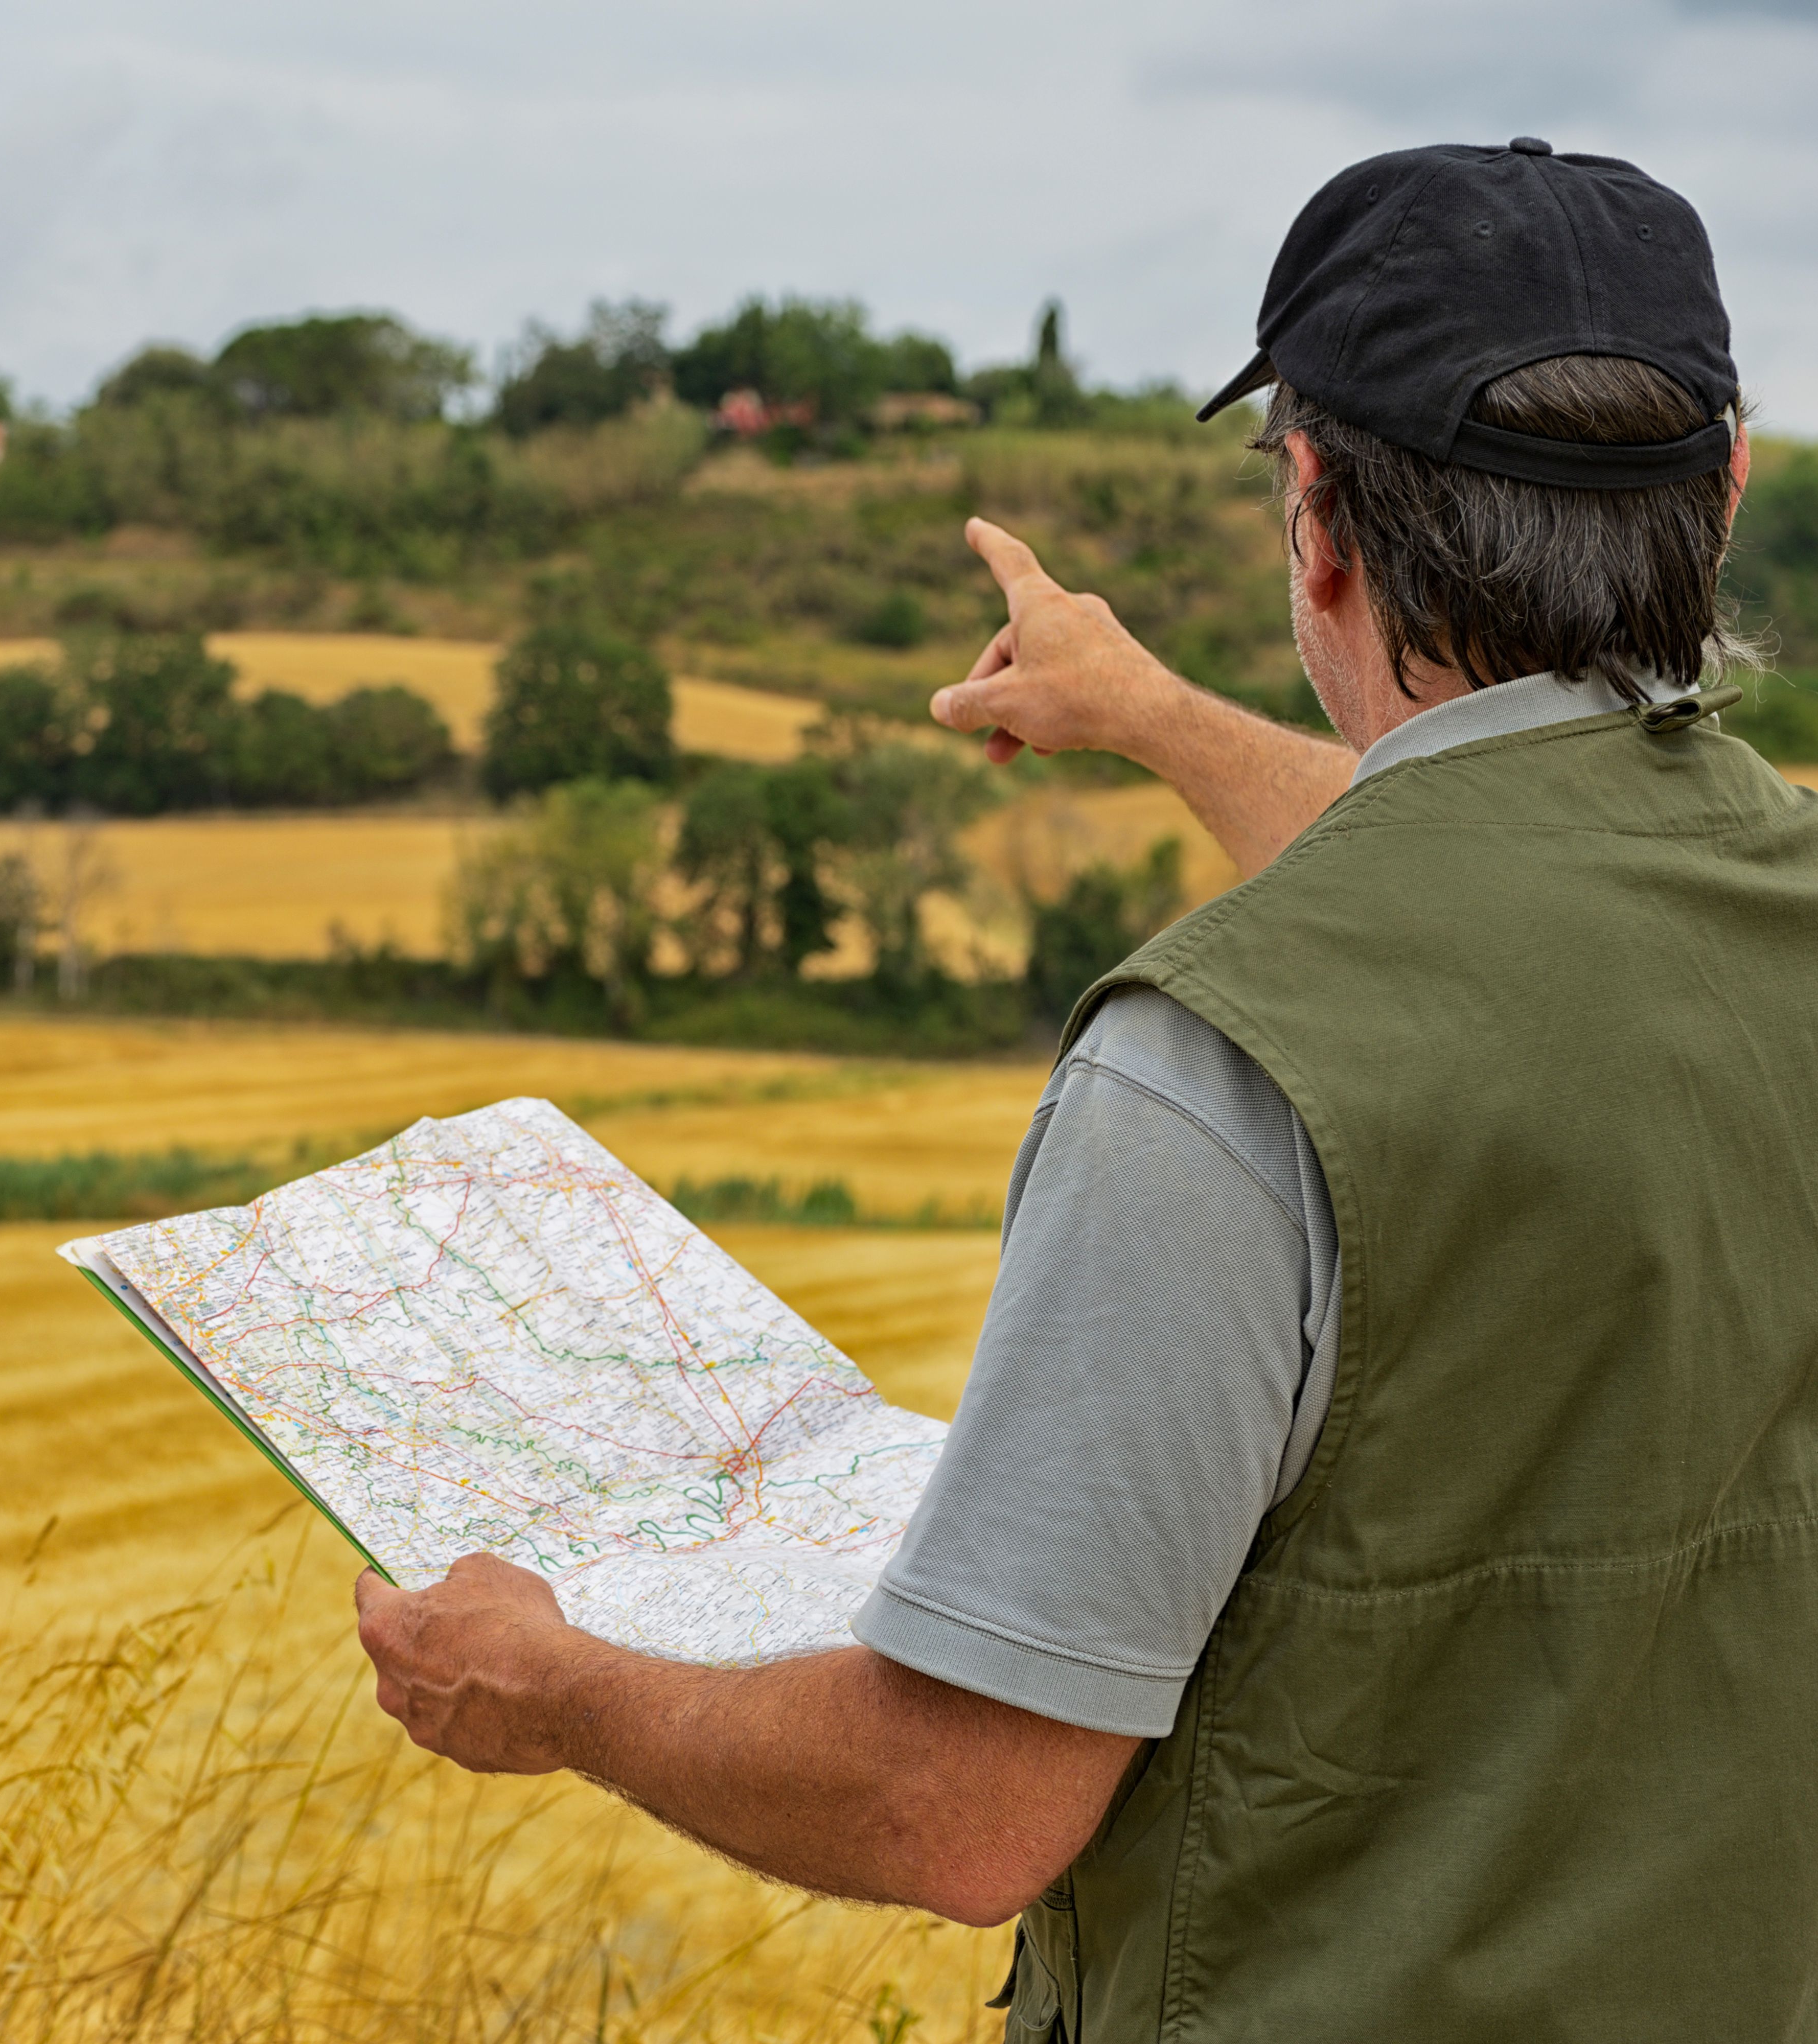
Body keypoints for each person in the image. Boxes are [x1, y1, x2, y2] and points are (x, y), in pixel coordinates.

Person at [353, 138, 1818, 2041]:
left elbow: (958, 1805)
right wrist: (1142, 714)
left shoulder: (1209, 1072)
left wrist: (551, 1687)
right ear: (1716, 491)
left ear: (1313, 516)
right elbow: (1527, 886)